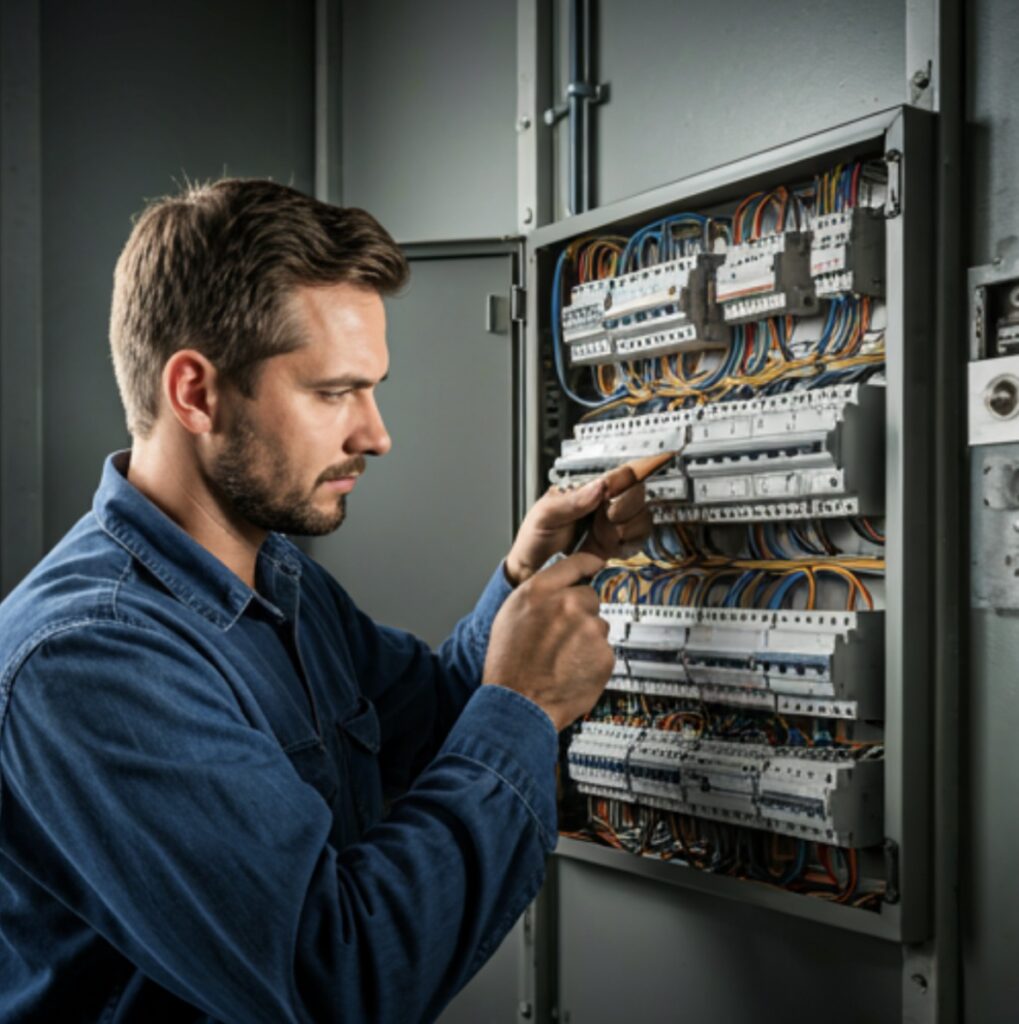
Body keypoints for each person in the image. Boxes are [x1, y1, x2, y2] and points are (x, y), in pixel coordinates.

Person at [0, 179, 650, 1023]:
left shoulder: (274, 575)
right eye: (334, 392)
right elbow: (336, 982)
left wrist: (526, 577)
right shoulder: (90, 659)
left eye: (370, 390)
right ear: (195, 393)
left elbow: (433, 720)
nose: (375, 435)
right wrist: (524, 704)